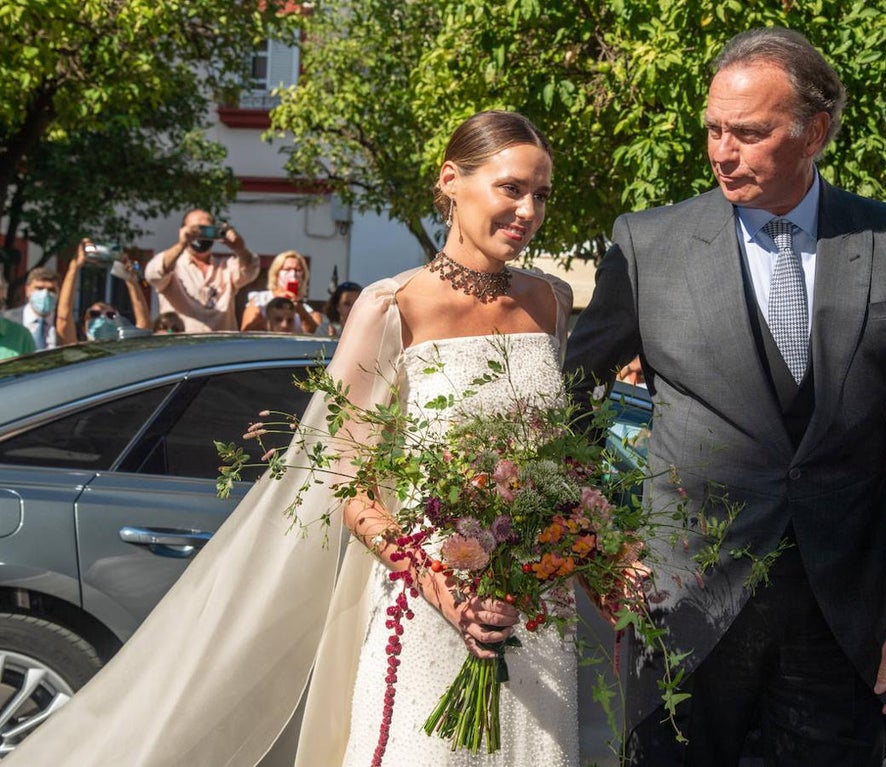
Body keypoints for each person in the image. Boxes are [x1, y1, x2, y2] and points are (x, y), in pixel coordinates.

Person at [6, 111, 576, 767]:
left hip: (534, 611)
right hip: (426, 609)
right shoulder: (393, 307)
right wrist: (437, 580)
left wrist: (589, 541)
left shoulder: (551, 302)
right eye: (511, 188)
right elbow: (346, 477)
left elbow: (552, 461)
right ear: (451, 180)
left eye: (542, 194)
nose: (529, 210)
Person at [564, 27, 886, 766]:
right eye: (713, 128)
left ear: (815, 131)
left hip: (842, 624)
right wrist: (598, 544)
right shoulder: (647, 244)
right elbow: (570, 399)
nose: (722, 151)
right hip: (682, 615)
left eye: (748, 132)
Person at [144, 210, 259, 332]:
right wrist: (181, 244)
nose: (199, 235)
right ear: (182, 231)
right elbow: (152, 275)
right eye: (195, 230)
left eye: (206, 230)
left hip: (221, 348)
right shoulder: (174, 265)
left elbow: (251, 271)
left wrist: (239, 248)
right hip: (182, 347)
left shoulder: (226, 267)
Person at [57, 239, 152, 343]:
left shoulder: (126, 350)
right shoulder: (78, 352)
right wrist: (74, 267)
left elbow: (144, 327)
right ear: (84, 327)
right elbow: (64, 319)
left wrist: (130, 281)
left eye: (111, 315)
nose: (103, 318)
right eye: (94, 314)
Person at [240, 250, 322, 333]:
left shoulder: (307, 310)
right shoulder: (260, 300)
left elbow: (315, 335)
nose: (293, 274)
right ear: (276, 274)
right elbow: (247, 332)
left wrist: (301, 312)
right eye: (287, 269)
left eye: (298, 270)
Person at [1, 266, 64, 350]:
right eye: (39, 288)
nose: (45, 294)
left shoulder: (64, 324)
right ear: (27, 290)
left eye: (51, 290)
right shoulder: (7, 319)